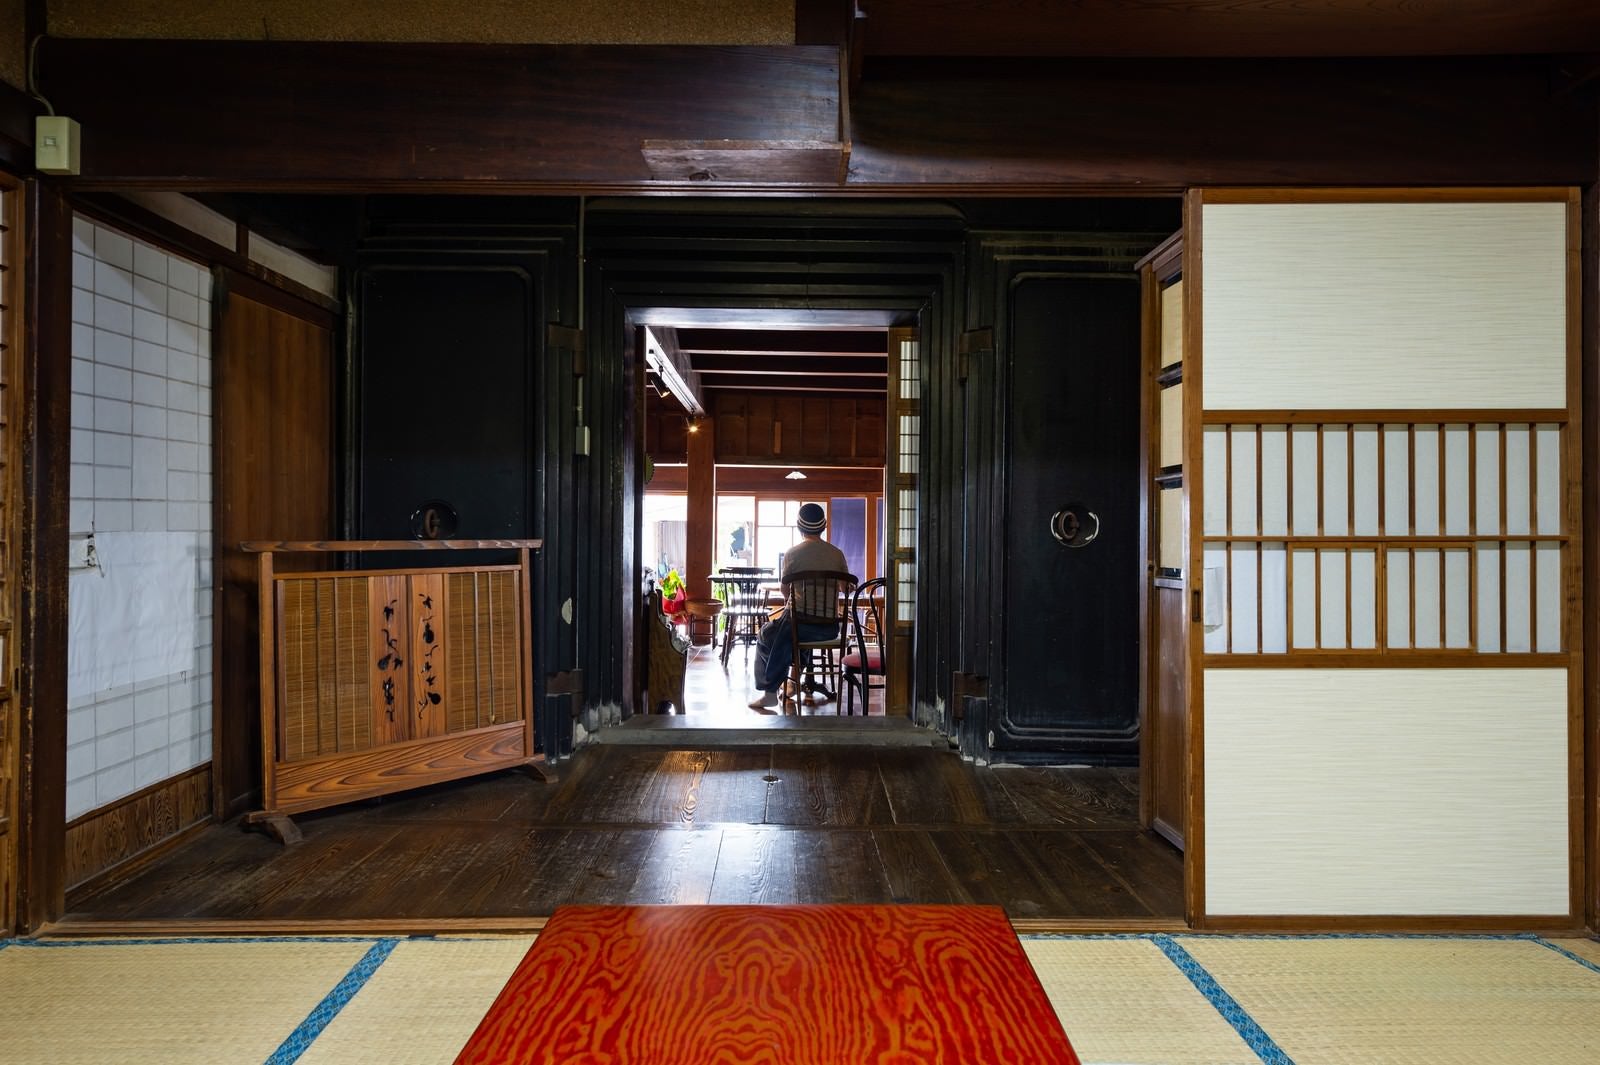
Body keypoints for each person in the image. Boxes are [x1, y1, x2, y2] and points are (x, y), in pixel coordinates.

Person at [749, 503, 850, 710]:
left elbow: (785, 591)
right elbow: (845, 588)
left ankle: (770, 691)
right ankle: (793, 684)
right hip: (829, 628)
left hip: (798, 626)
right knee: (787, 632)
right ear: (823, 527)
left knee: (768, 633)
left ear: (799, 527)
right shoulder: (837, 554)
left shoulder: (792, 554)